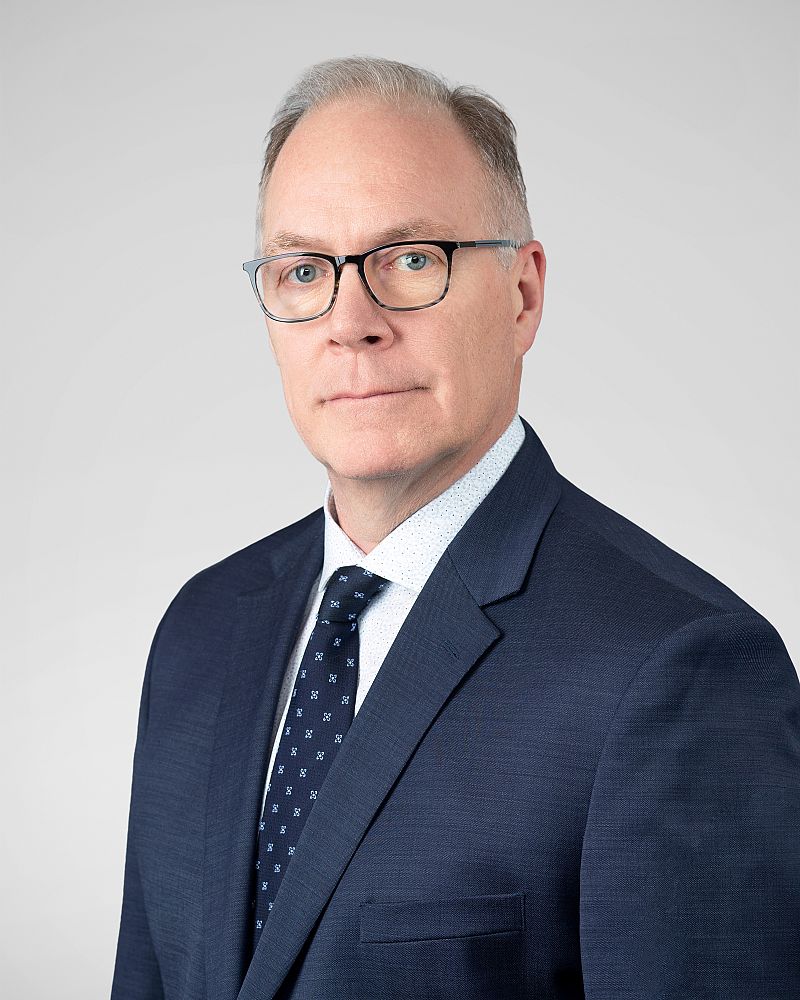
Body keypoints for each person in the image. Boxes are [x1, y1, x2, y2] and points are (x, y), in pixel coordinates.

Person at [110, 55, 800, 1000]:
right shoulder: (201, 629)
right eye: (304, 270)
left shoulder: (679, 669)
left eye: (411, 259)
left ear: (522, 294)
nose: (351, 321)